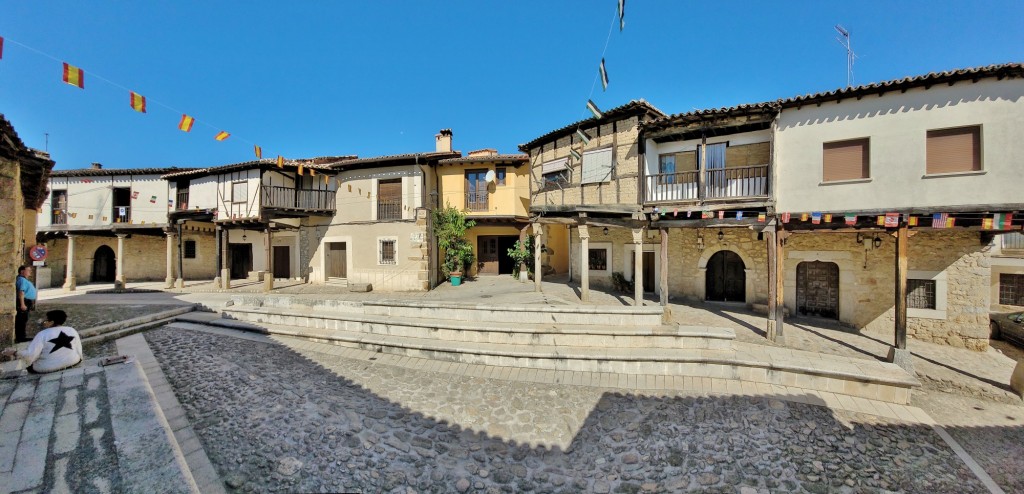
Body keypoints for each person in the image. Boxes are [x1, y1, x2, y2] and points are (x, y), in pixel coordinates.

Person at [2, 310, 82, 373]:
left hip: (47, 367)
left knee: (30, 367)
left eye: (46, 320)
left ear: (51, 322)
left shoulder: (42, 334)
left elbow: (31, 355)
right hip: (73, 361)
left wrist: (15, 352)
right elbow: (78, 348)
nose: (43, 322)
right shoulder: (71, 330)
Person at [15, 265, 37, 343]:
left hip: (27, 301)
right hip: (24, 301)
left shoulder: (24, 279)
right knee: (21, 320)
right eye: (28, 270)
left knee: (24, 319)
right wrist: (22, 304)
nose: (30, 271)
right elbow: (21, 292)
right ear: (22, 271)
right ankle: (20, 338)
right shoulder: (22, 280)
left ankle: (22, 336)